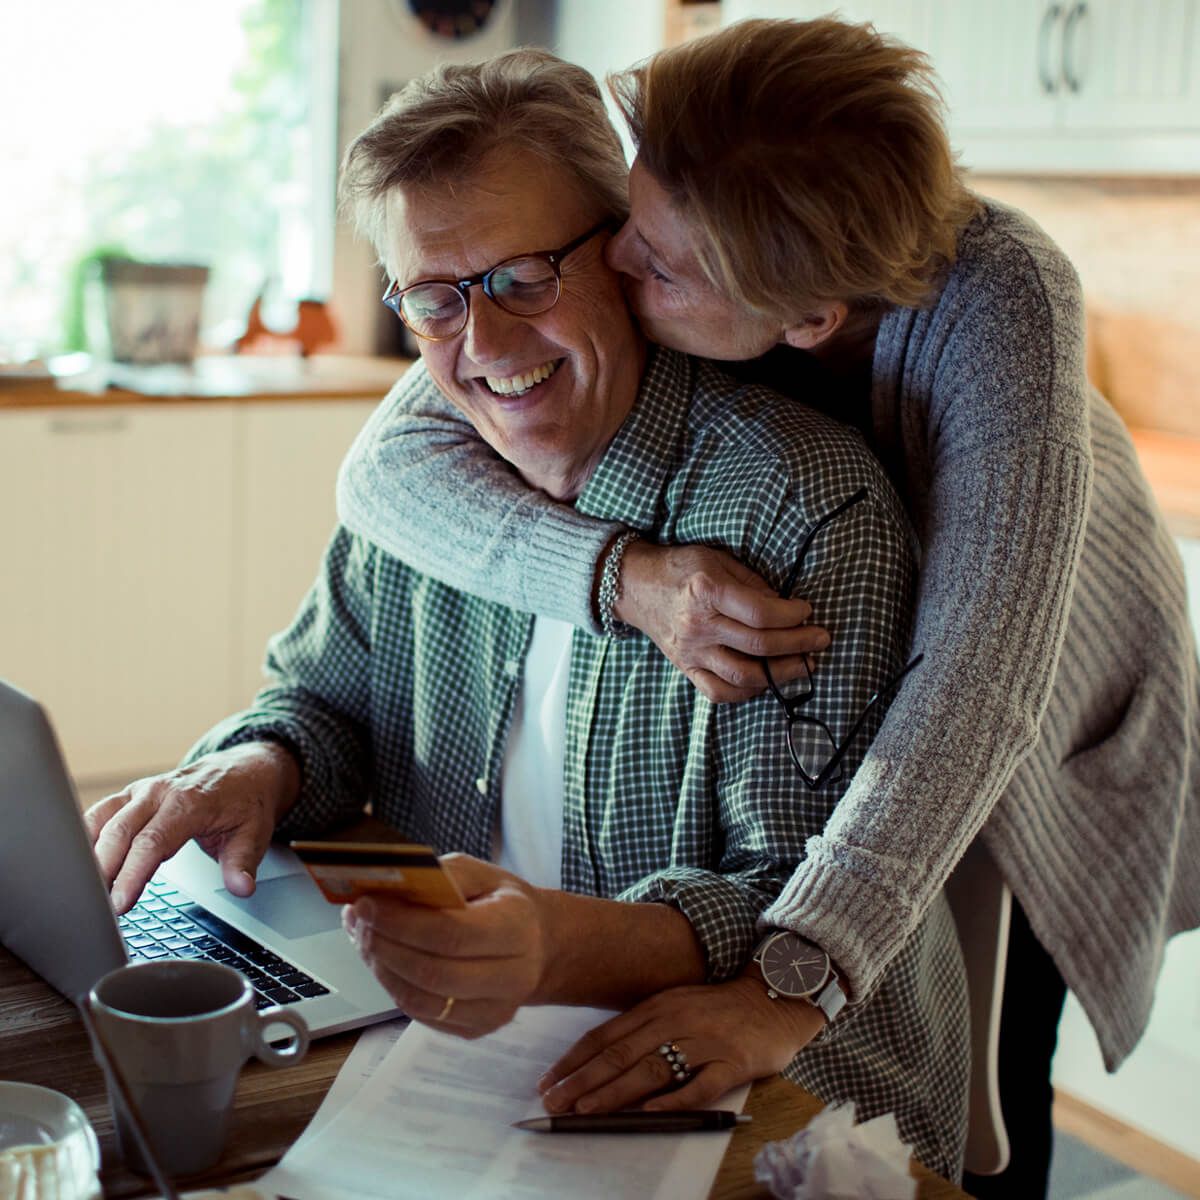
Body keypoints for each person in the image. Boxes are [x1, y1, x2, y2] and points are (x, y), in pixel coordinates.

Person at [335, 18, 1200, 1199]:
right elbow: (382, 469)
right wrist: (628, 579)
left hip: (1053, 727)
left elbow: (978, 692)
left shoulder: (999, 306)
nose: (616, 271)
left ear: (802, 324)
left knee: (991, 1083)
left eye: (656, 266)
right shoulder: (722, 252)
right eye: (625, 226)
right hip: (938, 686)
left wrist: (784, 989)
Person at [84, 49, 971, 1181]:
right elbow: (319, 696)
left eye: (522, 278)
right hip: (459, 1058)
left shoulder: (799, 507)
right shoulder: (423, 475)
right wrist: (252, 768)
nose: (483, 349)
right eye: (435, 298)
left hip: (774, 1096)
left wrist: (551, 948)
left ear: (628, 251)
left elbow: (803, 903)